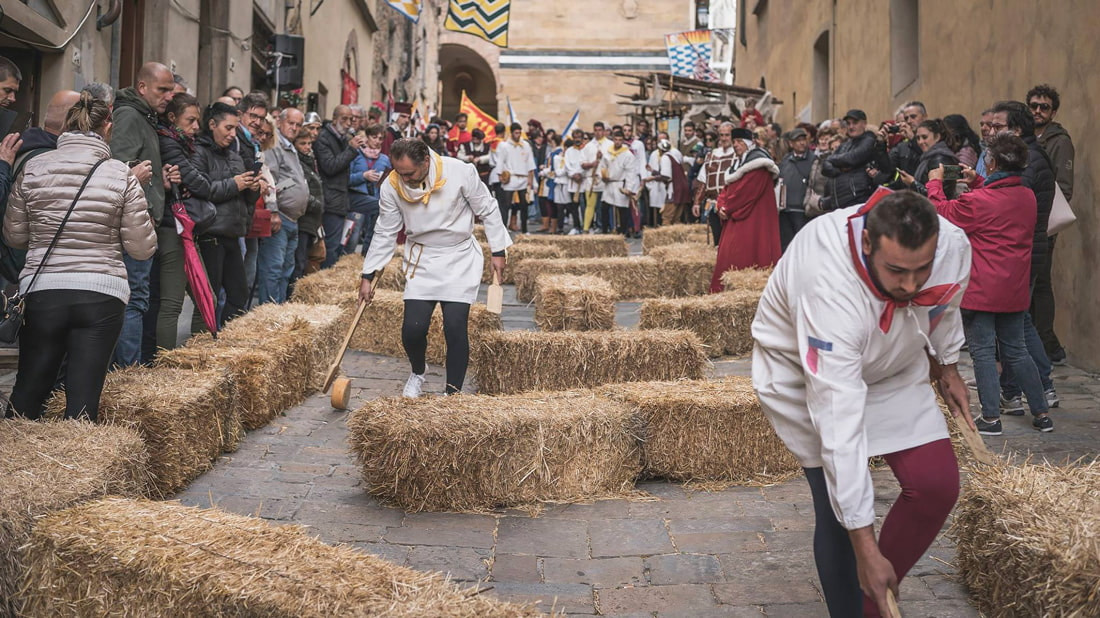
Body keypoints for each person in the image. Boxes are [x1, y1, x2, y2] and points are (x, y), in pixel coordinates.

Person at [752, 189, 972, 617]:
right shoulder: (826, 281)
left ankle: (873, 600)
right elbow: (840, 426)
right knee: (838, 512)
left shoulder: (953, 245)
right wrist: (866, 548)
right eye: (896, 272)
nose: (910, 286)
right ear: (867, 244)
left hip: (894, 361)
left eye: (921, 270)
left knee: (935, 485)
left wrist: (947, 365)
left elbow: (945, 302)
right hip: (805, 371)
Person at [4, 92, 157, 420]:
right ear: (108, 127)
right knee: (84, 397)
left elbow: (14, 237)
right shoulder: (121, 175)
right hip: (101, 291)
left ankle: (14, 459)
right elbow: (142, 248)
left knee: (29, 389)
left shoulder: (34, 168)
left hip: (43, 290)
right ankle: (76, 465)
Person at [359, 138, 512, 396]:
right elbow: (385, 230)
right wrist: (368, 274)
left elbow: (487, 208)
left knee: (455, 326)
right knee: (412, 329)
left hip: (459, 256)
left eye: (409, 173)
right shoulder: (392, 185)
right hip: (423, 258)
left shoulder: (460, 172)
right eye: (399, 172)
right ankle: (418, 372)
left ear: (426, 162)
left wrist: (498, 250)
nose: (404, 178)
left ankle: (452, 394)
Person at [927, 133, 1053, 434]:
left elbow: (943, 213)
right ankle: (1042, 413)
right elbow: (1000, 199)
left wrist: (934, 182)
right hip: (1015, 289)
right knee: (1017, 350)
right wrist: (976, 181)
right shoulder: (1027, 197)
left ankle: (991, 418)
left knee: (982, 352)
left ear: (992, 161)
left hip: (983, 290)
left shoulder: (976, 202)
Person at [991, 100, 1059, 412]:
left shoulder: (1029, 160)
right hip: (1022, 251)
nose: (992, 132)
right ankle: (1021, 390)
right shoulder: (1024, 156)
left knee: (1017, 326)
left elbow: (1011, 201)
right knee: (1019, 323)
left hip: (1023, 252)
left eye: (998, 126)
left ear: (1017, 130)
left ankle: (1036, 387)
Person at [111, 61, 178, 367]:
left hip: (142, 221)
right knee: (134, 300)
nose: (168, 96)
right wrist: (148, 205)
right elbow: (117, 167)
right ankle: (128, 373)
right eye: (162, 89)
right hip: (132, 225)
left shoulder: (146, 116)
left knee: (139, 298)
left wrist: (158, 185)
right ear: (142, 87)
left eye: (171, 90)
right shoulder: (129, 115)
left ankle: (130, 367)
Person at [191, 102, 259, 328]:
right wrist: (235, 184)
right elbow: (202, 190)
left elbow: (243, 198)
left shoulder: (234, 156)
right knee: (208, 299)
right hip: (210, 234)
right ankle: (202, 347)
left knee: (239, 295)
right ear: (212, 124)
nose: (232, 134)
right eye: (228, 128)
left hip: (232, 233)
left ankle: (226, 343)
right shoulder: (198, 152)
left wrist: (252, 190)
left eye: (235, 129)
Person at [152, 93, 203, 352]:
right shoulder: (169, 142)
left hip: (183, 226)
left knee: (207, 298)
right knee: (172, 303)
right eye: (191, 120)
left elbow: (196, 176)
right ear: (172, 118)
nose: (196, 127)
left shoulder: (186, 144)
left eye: (198, 121)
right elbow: (198, 181)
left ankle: (195, 358)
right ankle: (166, 364)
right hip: (172, 226)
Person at [1028, 84, 1072, 365]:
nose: (1037, 111)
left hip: (1044, 223)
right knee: (1032, 284)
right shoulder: (1026, 137)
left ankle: (1049, 347)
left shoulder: (1059, 141)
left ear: (1053, 111)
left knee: (1042, 284)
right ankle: (1042, 345)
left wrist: (1045, 221)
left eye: (1044, 107)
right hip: (1024, 221)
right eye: (1033, 106)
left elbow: (1064, 187)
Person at [710, 127, 781, 291]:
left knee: (748, 255)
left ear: (749, 143)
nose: (736, 145)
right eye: (734, 142)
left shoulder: (759, 164)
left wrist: (726, 208)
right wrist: (720, 205)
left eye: (740, 142)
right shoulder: (738, 164)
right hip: (736, 216)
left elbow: (745, 193)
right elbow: (726, 190)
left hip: (753, 220)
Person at [257, 107, 310, 304]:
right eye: (291, 123)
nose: (294, 128)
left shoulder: (290, 147)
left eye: (298, 124)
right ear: (280, 121)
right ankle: (268, 311)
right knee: (273, 269)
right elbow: (271, 182)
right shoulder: (275, 145)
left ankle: (277, 309)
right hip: (280, 217)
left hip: (293, 219)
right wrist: (273, 211)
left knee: (286, 270)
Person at [315, 104, 367, 267]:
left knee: (374, 206)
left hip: (342, 197)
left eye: (351, 119)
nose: (348, 123)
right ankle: (325, 278)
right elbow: (330, 166)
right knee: (331, 246)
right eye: (344, 119)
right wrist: (351, 149)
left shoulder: (343, 138)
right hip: (330, 199)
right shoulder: (323, 138)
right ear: (335, 119)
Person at [348, 123, 391, 256]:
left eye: (380, 138)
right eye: (374, 137)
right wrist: (363, 176)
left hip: (376, 200)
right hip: (356, 199)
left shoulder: (384, 159)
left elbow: (389, 182)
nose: (377, 141)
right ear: (367, 137)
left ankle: (366, 256)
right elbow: (345, 179)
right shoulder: (356, 155)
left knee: (372, 233)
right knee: (353, 236)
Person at [821, 109, 878, 210]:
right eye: (848, 123)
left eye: (855, 123)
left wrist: (833, 160)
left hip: (858, 200)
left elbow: (853, 157)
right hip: (839, 203)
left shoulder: (869, 140)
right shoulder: (844, 145)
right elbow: (825, 166)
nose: (851, 127)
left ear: (864, 124)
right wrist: (839, 169)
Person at [693, 123, 738, 245]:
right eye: (722, 135)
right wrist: (697, 202)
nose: (724, 138)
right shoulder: (711, 155)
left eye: (727, 135)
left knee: (732, 239)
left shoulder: (738, 154)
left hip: (731, 204)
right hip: (713, 204)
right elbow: (703, 180)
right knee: (717, 239)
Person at [292, 127, 325, 281]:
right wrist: (315, 203)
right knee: (298, 262)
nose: (307, 147)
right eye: (302, 144)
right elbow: (296, 188)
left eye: (309, 144)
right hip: (303, 218)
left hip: (312, 220)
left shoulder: (310, 161)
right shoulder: (297, 163)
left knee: (304, 260)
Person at [895, 119, 958, 197]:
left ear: (937, 137)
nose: (920, 142)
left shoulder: (941, 159)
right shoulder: (928, 157)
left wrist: (913, 183)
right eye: (918, 138)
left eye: (924, 137)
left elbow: (941, 195)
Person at [493, 123, 536, 233]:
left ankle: (525, 230)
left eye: (519, 132)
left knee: (524, 205)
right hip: (510, 178)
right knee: (506, 205)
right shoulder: (504, 145)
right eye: (515, 132)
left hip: (523, 178)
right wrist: (500, 176)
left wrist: (531, 181)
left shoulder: (526, 145)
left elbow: (530, 163)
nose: (517, 135)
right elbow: (500, 161)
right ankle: (503, 229)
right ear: (511, 133)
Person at [777, 127, 815, 250]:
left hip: (802, 211)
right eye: (798, 140)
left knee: (802, 244)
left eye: (804, 139)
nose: (802, 142)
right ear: (791, 143)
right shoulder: (786, 160)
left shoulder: (813, 160)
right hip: (786, 210)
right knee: (786, 244)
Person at [598, 129, 640, 237]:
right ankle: (605, 230)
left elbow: (631, 172)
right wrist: (603, 176)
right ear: (613, 140)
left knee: (622, 209)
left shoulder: (627, 155)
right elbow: (602, 166)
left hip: (620, 183)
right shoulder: (608, 152)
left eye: (620, 140)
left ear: (623, 141)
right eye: (616, 140)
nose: (617, 142)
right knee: (605, 207)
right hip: (609, 183)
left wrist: (629, 188)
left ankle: (623, 231)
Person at [886, 101, 928, 176]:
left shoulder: (935, 136)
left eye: (913, 117)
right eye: (906, 118)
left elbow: (930, 158)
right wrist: (881, 144)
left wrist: (913, 139)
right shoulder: (903, 145)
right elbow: (886, 168)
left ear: (924, 117)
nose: (909, 121)